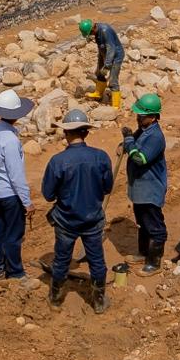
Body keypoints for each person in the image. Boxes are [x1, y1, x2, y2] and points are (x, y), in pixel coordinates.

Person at [42, 110, 114, 314]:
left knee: (62, 259)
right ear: (86, 133)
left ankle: (56, 299)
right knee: (97, 260)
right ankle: (99, 301)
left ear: (66, 133)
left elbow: (48, 194)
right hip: (93, 219)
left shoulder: (58, 161)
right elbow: (107, 187)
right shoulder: (100, 157)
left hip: (66, 221)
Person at [0, 89, 35, 279]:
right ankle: (16, 272)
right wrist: (27, 202)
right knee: (14, 234)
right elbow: (16, 176)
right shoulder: (11, 140)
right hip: (11, 194)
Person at [121, 93, 169, 275]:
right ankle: (143, 252)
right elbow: (132, 144)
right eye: (138, 115)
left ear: (153, 116)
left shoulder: (156, 137)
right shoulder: (143, 130)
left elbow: (140, 158)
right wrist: (125, 143)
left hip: (150, 189)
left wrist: (128, 141)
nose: (138, 117)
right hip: (139, 188)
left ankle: (154, 263)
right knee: (142, 222)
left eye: (141, 115)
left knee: (154, 225)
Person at [79, 19, 125, 109]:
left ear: (93, 29)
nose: (91, 35)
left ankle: (116, 106)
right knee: (99, 73)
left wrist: (107, 65)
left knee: (112, 81)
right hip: (104, 52)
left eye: (90, 33)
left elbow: (111, 48)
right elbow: (103, 46)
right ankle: (98, 94)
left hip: (115, 56)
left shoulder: (105, 31)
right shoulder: (96, 31)